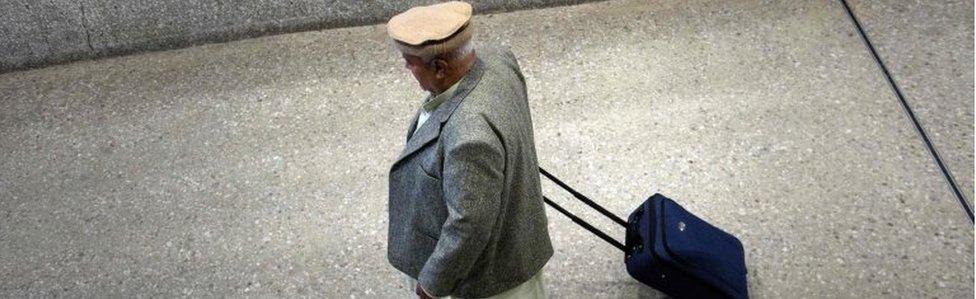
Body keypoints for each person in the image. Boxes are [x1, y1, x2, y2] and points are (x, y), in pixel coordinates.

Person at [385, 1, 554, 298]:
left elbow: (469, 224)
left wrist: (433, 283)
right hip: (519, 241)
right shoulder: (498, 60)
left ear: (440, 67)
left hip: (490, 282)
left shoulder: (468, 136)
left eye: (410, 60)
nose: (407, 67)